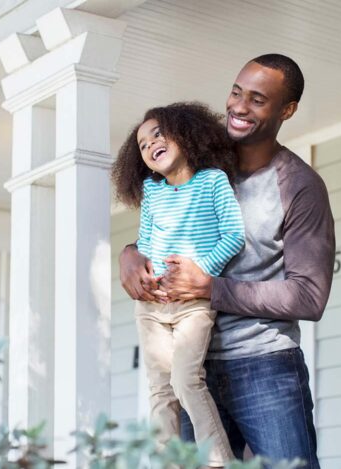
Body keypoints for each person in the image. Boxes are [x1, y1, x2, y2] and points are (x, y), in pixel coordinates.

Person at [118, 54, 335, 469]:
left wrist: (211, 288)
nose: (238, 107)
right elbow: (165, 232)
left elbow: (309, 297)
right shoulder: (197, 158)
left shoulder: (299, 186)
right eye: (236, 92)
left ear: (286, 110)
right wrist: (129, 255)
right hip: (189, 363)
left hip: (264, 367)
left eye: (257, 100)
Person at [111, 102, 246, 468]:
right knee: (159, 389)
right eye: (142, 144)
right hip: (153, 305)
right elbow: (146, 240)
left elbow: (234, 235)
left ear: (186, 134)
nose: (151, 143)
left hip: (193, 302)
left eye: (158, 133)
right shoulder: (153, 192)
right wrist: (144, 271)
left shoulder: (214, 180)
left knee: (187, 380)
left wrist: (200, 272)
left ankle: (218, 460)